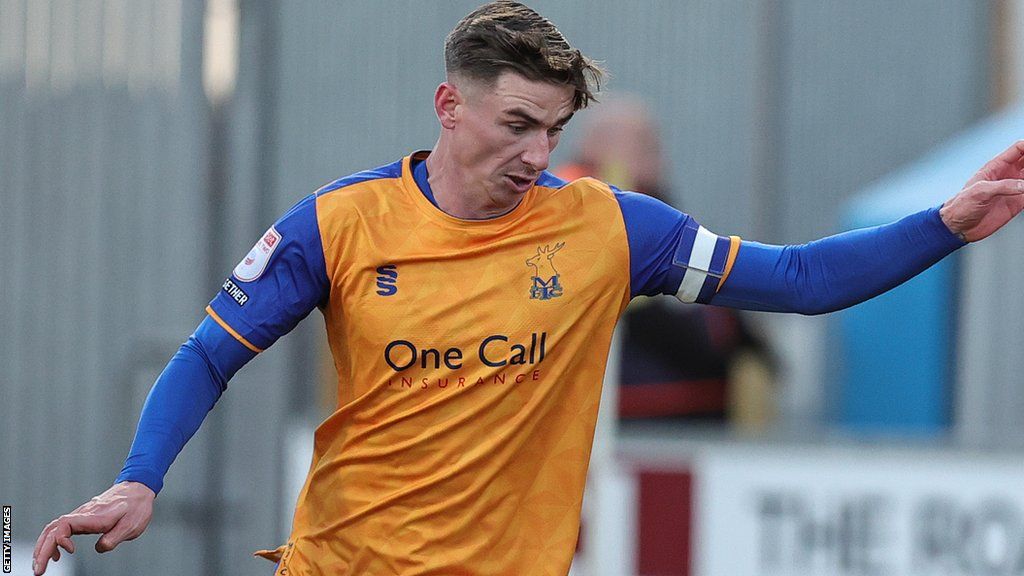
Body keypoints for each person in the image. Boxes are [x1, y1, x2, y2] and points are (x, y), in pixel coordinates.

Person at [33, 2, 1024, 575]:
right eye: (516, 124)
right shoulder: (337, 224)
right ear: (448, 106)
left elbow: (801, 280)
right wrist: (142, 476)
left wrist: (944, 225)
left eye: (552, 129)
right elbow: (211, 351)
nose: (537, 152)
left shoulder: (606, 228)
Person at [555, 97, 774, 424]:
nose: (661, 159)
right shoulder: (581, 209)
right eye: (647, 146)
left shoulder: (647, 214)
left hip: (665, 407)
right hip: (638, 411)